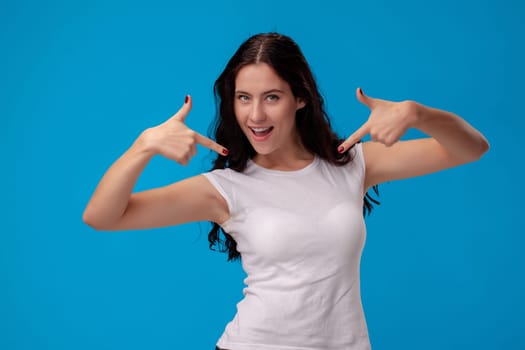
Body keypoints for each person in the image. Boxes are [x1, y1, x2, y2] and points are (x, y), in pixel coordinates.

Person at [83, 33, 489, 350]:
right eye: (244, 98)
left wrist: (418, 113)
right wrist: (144, 146)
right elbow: (102, 216)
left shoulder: (351, 164)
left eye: (271, 97)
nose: (255, 115)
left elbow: (470, 148)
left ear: (299, 99)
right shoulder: (225, 188)